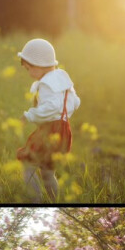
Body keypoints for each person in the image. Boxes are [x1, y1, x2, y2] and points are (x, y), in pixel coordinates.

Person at [16, 38, 80, 202]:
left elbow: (51, 107)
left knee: (27, 163)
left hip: (50, 130)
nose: (29, 73)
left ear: (38, 64)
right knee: (47, 171)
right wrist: (63, 117)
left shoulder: (46, 83)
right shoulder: (62, 79)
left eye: (29, 68)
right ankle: (55, 201)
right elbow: (75, 102)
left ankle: (34, 201)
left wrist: (29, 115)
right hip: (64, 131)